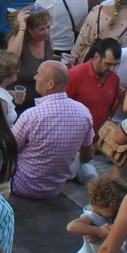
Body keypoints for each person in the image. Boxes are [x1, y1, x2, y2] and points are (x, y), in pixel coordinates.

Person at [11, 61, 94, 199]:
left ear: (50, 84)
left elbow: (10, 149)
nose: (35, 77)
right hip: (55, 189)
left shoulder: (32, 115)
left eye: (39, 74)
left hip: (22, 186)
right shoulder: (84, 112)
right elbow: (87, 154)